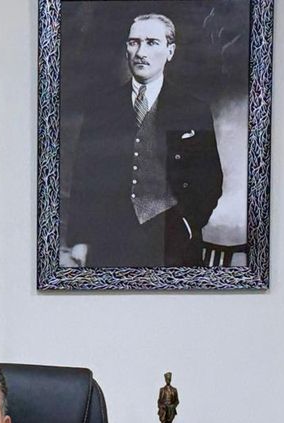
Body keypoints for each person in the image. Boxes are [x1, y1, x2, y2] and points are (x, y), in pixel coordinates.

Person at [62, 13, 223, 268]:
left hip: (172, 240)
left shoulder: (193, 109)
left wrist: (188, 223)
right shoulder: (101, 109)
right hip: (110, 239)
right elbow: (84, 177)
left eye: (151, 42)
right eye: (133, 42)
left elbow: (210, 178)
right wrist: (81, 238)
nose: (140, 52)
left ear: (170, 51)